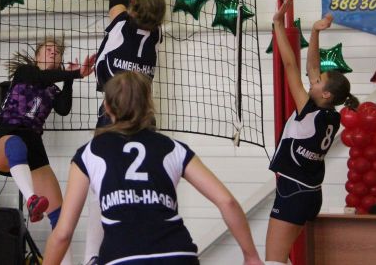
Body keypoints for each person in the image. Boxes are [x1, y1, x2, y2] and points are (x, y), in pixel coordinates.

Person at [43, 71, 264, 265]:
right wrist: (251, 256)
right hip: (178, 254)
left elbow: (63, 234)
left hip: (122, 257)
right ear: (148, 104)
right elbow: (227, 201)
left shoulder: (89, 153)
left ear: (107, 107)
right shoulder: (173, 148)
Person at [84, 0, 179, 264]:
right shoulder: (154, 34)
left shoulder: (121, 21)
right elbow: (151, 5)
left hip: (112, 115)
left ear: (134, 8)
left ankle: (92, 256)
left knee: (101, 184)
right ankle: (143, 249)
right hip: (145, 119)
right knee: (143, 189)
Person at [265, 0, 359, 265]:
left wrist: (277, 25)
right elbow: (312, 68)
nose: (313, 80)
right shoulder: (332, 115)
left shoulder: (308, 110)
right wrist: (315, 32)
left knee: (273, 261)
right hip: (310, 193)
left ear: (325, 94)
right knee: (282, 258)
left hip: (293, 191)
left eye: (318, 82)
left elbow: (291, 66)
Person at [0, 37, 95, 265]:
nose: (53, 53)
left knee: (61, 218)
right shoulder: (26, 72)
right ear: (37, 56)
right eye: (48, 50)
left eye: (57, 52)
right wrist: (75, 74)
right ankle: (32, 199)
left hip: (34, 145)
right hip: (7, 135)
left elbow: (63, 109)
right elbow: (41, 77)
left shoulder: (53, 88)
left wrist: (69, 80)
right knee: (16, 144)